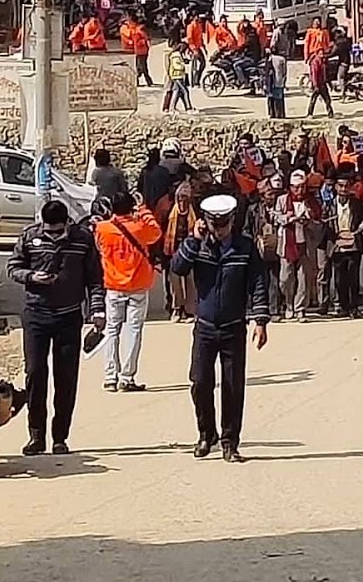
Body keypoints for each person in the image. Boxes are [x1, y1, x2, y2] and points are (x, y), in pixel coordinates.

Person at [167, 194, 271, 463]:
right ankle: (206, 433)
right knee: (200, 382)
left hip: (233, 326)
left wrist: (260, 321)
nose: (219, 230)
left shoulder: (245, 247)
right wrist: (193, 239)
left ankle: (230, 442)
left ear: (232, 221)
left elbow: (258, 283)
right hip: (204, 327)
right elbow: (177, 267)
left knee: (233, 387)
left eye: (224, 224)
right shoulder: (198, 245)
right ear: (206, 222)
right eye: (214, 224)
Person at [8, 200, 105, 456]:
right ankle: (36, 436)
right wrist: (32, 276)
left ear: (67, 224)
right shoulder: (29, 236)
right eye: (48, 231)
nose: (53, 235)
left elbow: (95, 279)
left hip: (69, 318)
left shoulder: (83, 239)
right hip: (36, 316)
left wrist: (97, 311)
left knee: (66, 379)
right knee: (35, 374)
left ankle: (60, 437)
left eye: (58, 231)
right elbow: (13, 268)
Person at [95, 190, 162, 392]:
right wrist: (143, 209)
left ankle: (110, 376)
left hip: (114, 285)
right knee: (134, 330)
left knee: (112, 330)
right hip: (138, 285)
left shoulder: (102, 228)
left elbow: (99, 247)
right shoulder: (139, 227)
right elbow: (156, 232)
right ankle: (127, 377)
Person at [320, 170, 363, 318]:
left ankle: (354, 307)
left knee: (353, 277)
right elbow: (324, 224)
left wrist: (359, 228)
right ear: (335, 187)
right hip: (337, 245)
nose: (343, 189)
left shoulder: (358, 204)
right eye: (340, 186)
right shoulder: (329, 205)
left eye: (346, 186)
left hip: (354, 244)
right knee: (339, 278)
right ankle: (343, 307)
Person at [273, 169, 320, 320]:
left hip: (305, 242)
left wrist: (308, 219)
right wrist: (287, 218)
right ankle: (288, 304)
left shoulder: (310, 201)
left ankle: (300, 308)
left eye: (302, 187)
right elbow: (275, 217)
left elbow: (318, 219)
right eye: (296, 187)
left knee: (304, 277)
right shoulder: (282, 200)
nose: (299, 190)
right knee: (285, 278)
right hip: (287, 243)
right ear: (291, 187)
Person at [163, 184, 199, 322]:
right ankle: (177, 309)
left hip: (190, 252)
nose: (182, 203)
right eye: (179, 199)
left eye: (185, 200)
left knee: (191, 282)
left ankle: (190, 311)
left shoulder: (194, 213)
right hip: (174, 251)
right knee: (175, 283)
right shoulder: (169, 213)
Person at [119, 12, 153, 86]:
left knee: (141, 66)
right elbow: (128, 37)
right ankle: (143, 80)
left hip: (139, 50)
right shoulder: (128, 28)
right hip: (134, 50)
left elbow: (145, 38)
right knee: (139, 66)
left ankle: (142, 80)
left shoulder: (137, 29)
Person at [164, 41, 193, 111]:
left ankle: (172, 107)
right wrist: (183, 65)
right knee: (184, 91)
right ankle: (187, 108)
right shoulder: (176, 55)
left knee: (177, 91)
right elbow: (176, 65)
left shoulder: (177, 55)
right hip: (177, 75)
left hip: (177, 75)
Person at [266, 45, 288, 119]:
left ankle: (272, 114)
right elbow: (284, 72)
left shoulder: (269, 58)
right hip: (279, 81)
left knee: (271, 98)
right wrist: (284, 81)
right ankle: (280, 114)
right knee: (279, 99)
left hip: (270, 82)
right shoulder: (282, 59)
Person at [185, 14, 208, 83]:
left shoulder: (199, 26)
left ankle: (197, 79)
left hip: (198, 47)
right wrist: (194, 49)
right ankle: (193, 81)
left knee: (203, 63)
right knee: (194, 65)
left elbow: (200, 38)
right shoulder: (190, 26)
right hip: (192, 48)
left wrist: (204, 47)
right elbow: (190, 39)